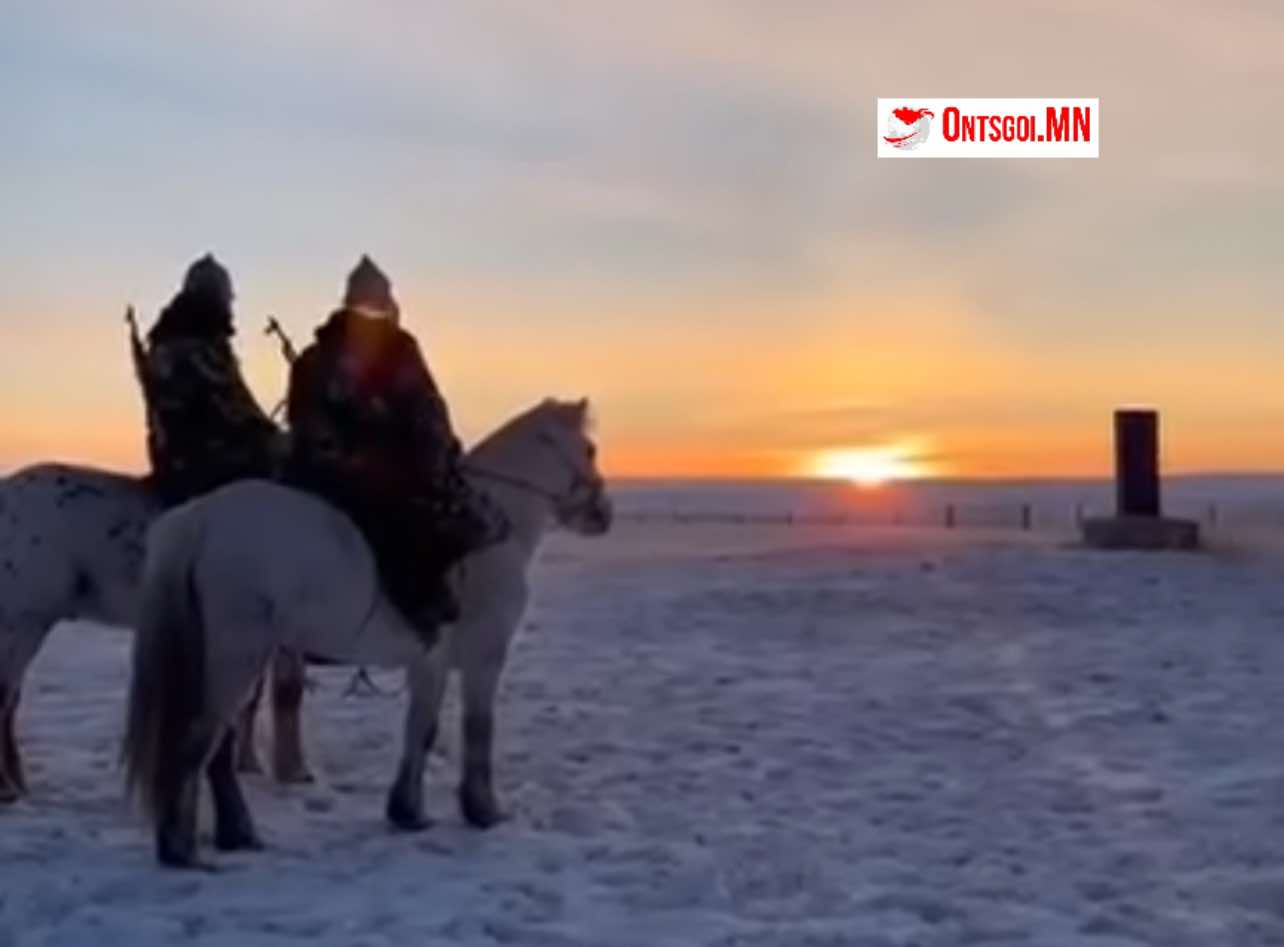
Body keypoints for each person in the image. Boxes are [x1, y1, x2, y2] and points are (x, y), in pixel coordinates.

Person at [284, 256, 509, 646]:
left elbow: (300, 418)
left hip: (314, 472)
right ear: (384, 302)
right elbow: (426, 412)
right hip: (375, 473)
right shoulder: (397, 350)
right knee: (430, 521)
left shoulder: (312, 358)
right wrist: (440, 458)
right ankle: (420, 605)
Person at [132, 254, 280, 506]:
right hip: (203, 468)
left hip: (180, 462)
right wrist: (279, 439)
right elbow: (235, 410)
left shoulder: (171, 339)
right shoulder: (196, 348)